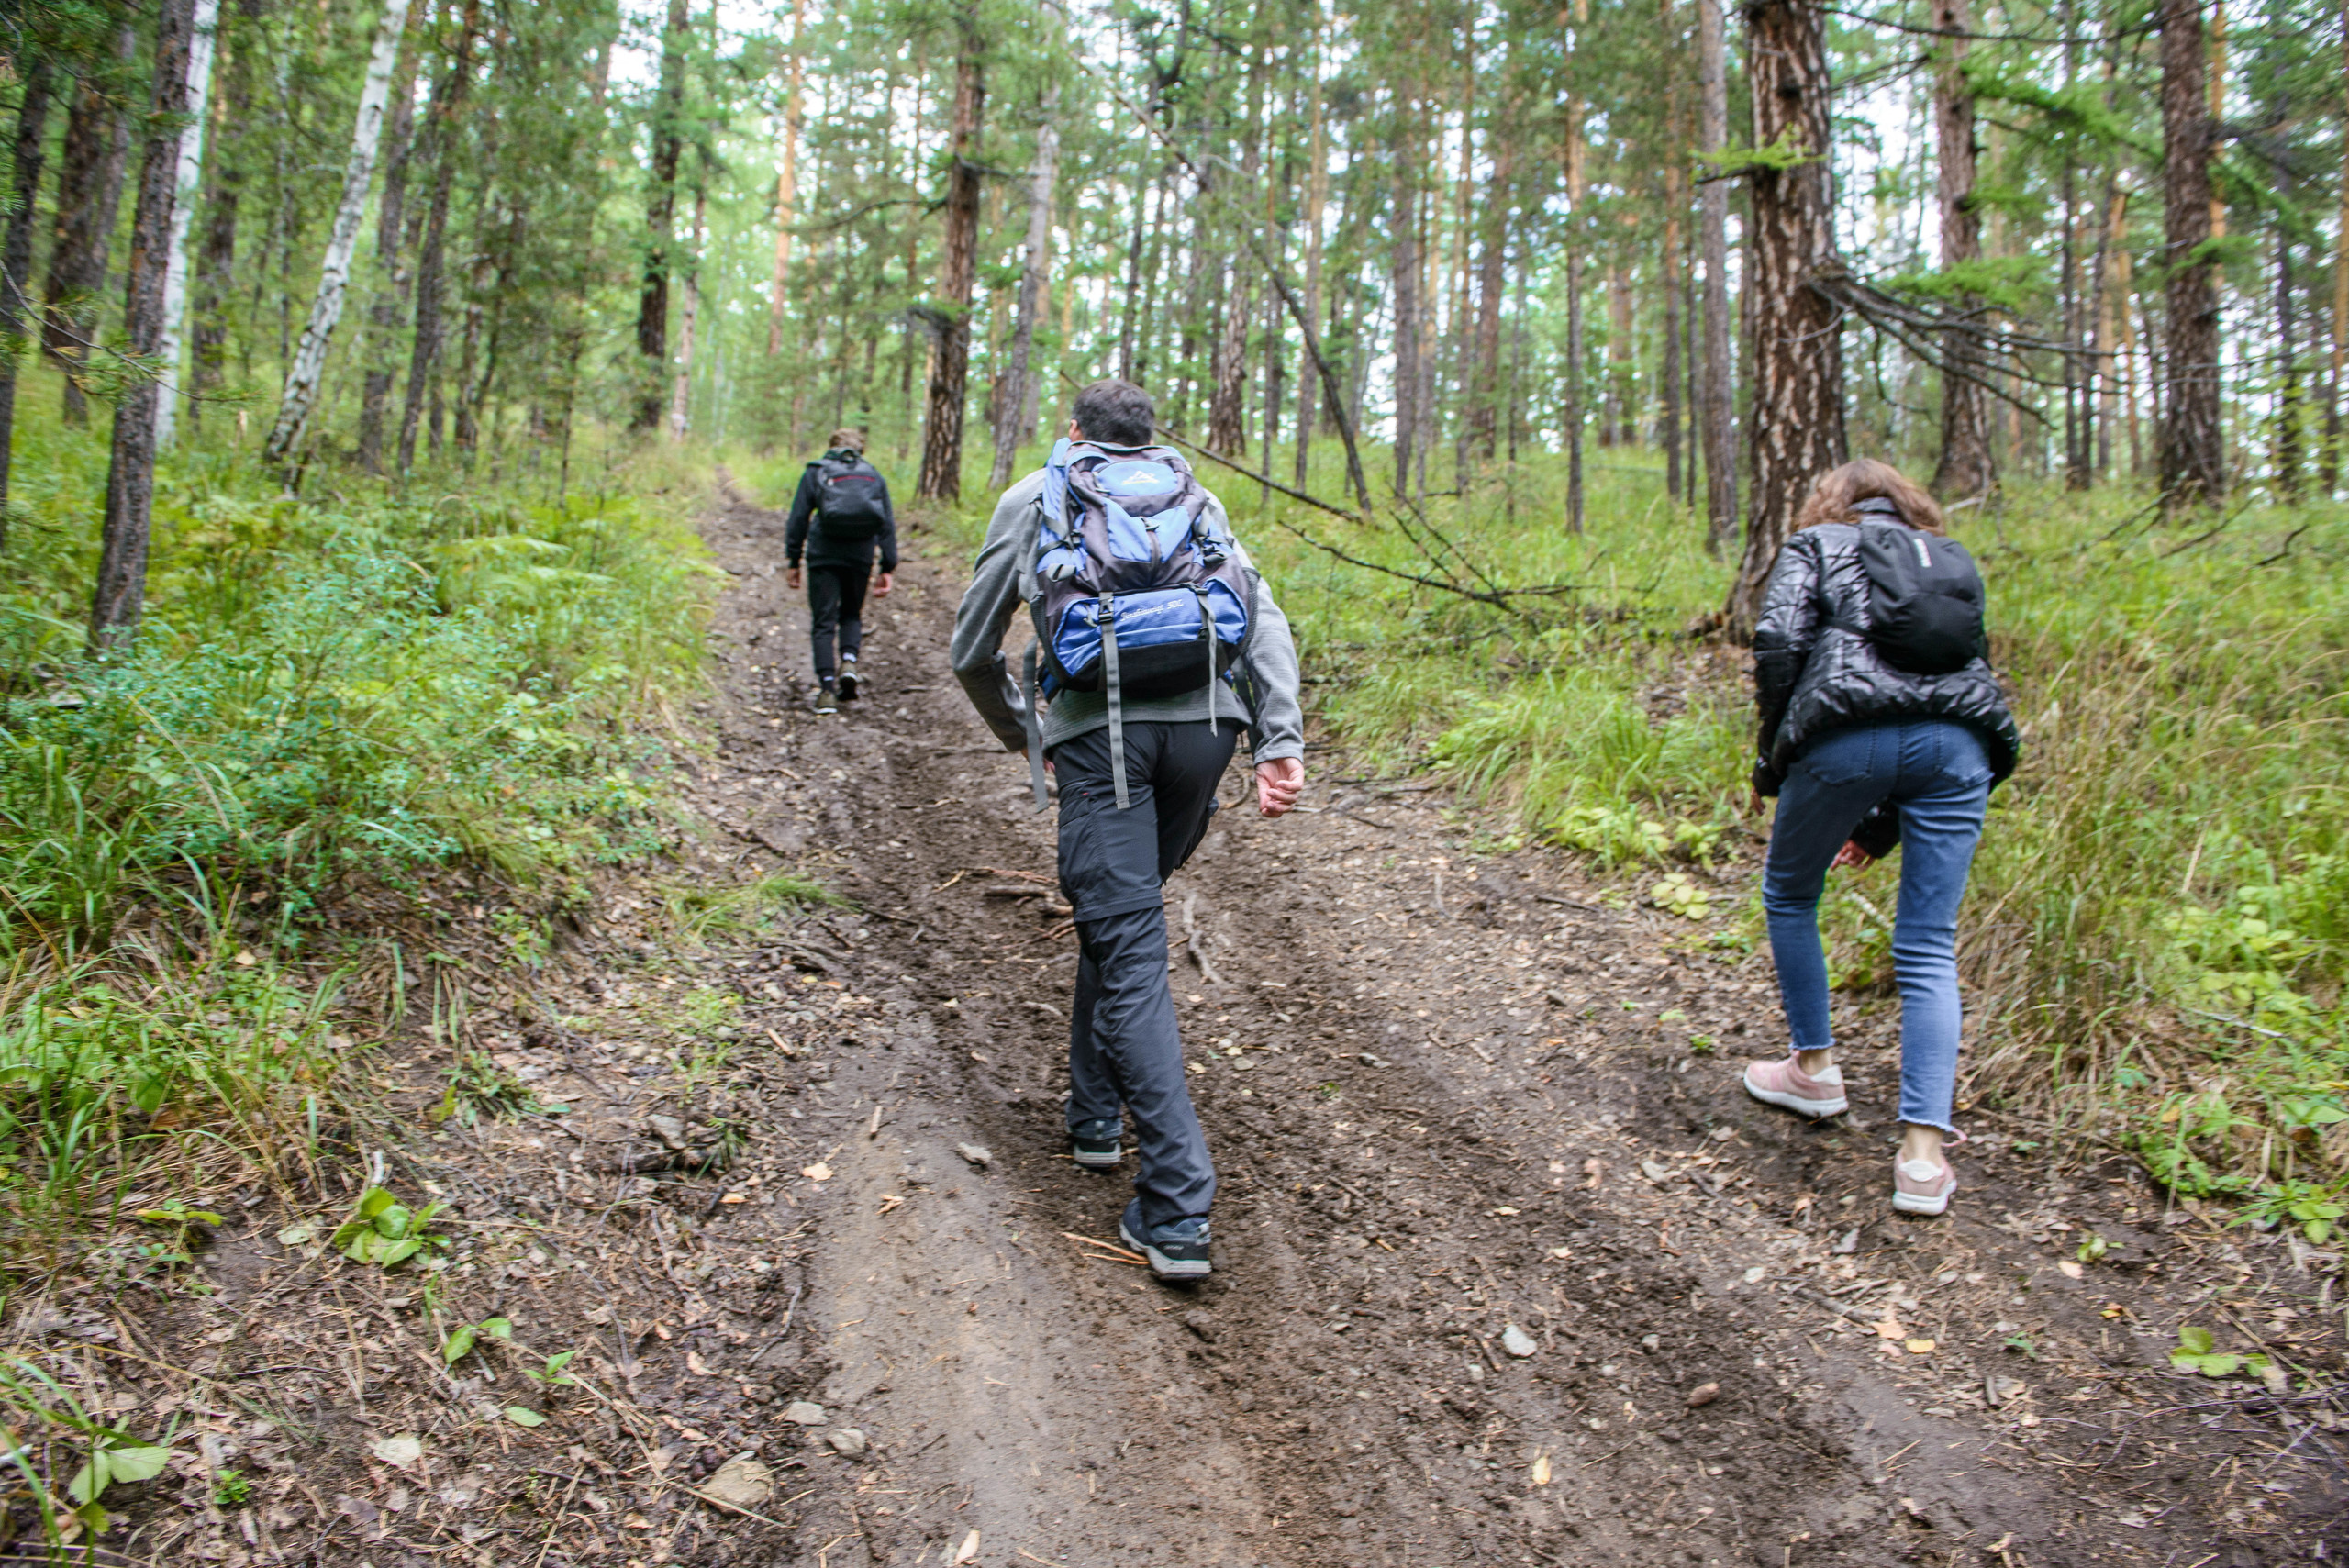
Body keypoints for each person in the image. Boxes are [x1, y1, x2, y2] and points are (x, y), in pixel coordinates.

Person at [948, 378, 1306, 1281]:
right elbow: (1261, 617)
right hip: (1205, 737)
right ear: (1149, 439)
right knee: (1124, 917)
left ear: (1073, 432)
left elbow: (971, 650)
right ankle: (1094, 1114)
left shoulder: (1039, 494)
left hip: (1102, 743)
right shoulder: (1195, 494)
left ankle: (1177, 1204)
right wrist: (1278, 741)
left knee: (1131, 941)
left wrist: (1033, 736)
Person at [1740, 460, 2020, 1216]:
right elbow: (1944, 687)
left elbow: (1777, 641)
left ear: (1835, 505)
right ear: (1911, 508)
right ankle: (1923, 1161)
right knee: (1928, 943)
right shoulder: (1951, 561)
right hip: (1962, 748)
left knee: (1791, 893)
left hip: (1844, 741)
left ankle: (1815, 1068)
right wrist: (1881, 826)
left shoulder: (1819, 544)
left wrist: (1775, 758)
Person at [785, 428, 897, 715]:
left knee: (823, 621)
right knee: (851, 614)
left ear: (831, 446)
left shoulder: (816, 471)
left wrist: (793, 560)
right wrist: (888, 565)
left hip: (823, 554)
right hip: (860, 555)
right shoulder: (872, 474)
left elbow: (798, 517)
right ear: (861, 449)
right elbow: (886, 523)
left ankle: (826, 690)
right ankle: (848, 660)